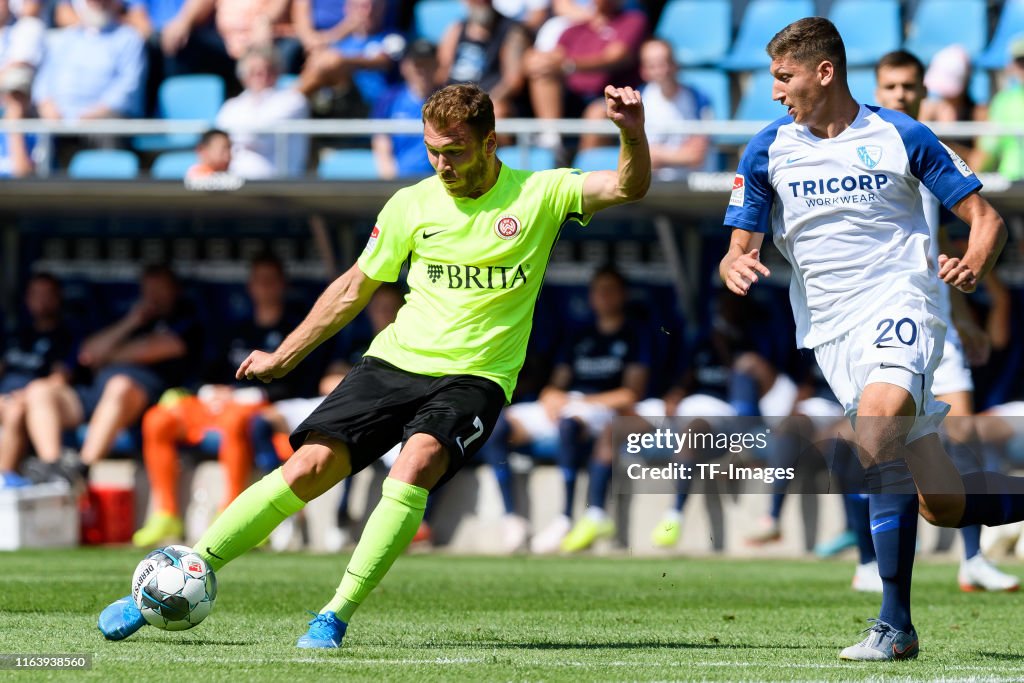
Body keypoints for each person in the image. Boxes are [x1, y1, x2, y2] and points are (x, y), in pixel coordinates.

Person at [97, 81, 651, 646]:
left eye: (454, 151)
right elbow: (354, 288)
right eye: (433, 149)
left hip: (476, 376)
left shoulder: (541, 192)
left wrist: (630, 132)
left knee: (417, 461)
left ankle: (334, 614)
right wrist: (285, 354)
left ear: (490, 143)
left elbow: (630, 186)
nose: (442, 164)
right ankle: (174, 581)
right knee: (308, 466)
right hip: (394, 361)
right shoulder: (412, 202)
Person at [720, 18, 1024, 662]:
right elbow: (738, 243)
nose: (775, 92)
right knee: (942, 504)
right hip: (831, 332)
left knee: (877, 429)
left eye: (784, 76)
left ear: (823, 72)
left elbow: (986, 219)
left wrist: (973, 262)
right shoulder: (767, 147)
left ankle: (895, 625)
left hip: (902, 304)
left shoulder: (900, 135)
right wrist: (734, 263)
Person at [131, 254, 322, 547]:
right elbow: (208, 370)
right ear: (250, 286)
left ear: (282, 285)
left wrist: (242, 395)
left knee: (237, 419)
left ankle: (232, 514)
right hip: (220, 404)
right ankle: (166, 513)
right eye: (258, 280)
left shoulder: (295, 329)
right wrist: (210, 391)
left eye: (270, 280)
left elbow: (301, 383)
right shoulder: (236, 329)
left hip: (264, 408)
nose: (264, 287)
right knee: (158, 418)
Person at [21, 265, 201, 475]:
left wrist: (107, 354)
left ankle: (82, 468)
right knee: (39, 390)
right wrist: (131, 321)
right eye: (149, 289)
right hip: (96, 394)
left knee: (119, 385)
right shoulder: (131, 320)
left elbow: (151, 349)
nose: (154, 296)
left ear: (175, 290)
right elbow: (88, 353)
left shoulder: (186, 322)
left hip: (141, 399)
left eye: (160, 289)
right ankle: (53, 468)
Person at [524, 0, 645, 152]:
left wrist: (569, 65)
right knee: (543, 71)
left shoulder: (632, 20)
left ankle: (584, 168)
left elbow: (617, 57)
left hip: (611, 98)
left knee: (597, 113)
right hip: (572, 98)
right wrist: (536, 61)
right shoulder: (573, 29)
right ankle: (551, 140)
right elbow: (554, 57)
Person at [0, 274, 77, 486]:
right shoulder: (15, 335)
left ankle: (4, 479)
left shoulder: (66, 335)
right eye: (36, 294)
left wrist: (24, 397)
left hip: (34, 401)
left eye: (47, 294)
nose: (41, 300)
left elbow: (60, 378)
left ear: (58, 298)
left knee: (15, 410)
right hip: (5, 399)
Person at [33, 0, 147, 121]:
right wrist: (46, 104)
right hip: (60, 121)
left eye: (104, 2)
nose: (98, 4)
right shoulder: (66, 38)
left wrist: (97, 111)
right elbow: (43, 81)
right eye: (92, 1)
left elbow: (129, 85)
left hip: (104, 122)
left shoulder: (128, 38)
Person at [215, 44, 309, 178]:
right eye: (254, 71)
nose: (262, 76)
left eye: (268, 70)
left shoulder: (294, 101)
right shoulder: (231, 106)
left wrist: (236, 136)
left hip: (280, 185)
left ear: (277, 72)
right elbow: (218, 141)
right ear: (243, 76)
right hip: (235, 184)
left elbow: (259, 134)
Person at [437, 0, 528, 120]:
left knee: (497, 112)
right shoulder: (457, 29)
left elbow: (513, 81)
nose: (481, 2)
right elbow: (442, 71)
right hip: (456, 96)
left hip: (491, 97)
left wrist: (482, 104)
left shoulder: (511, 30)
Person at [638, 38, 712, 180]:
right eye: (653, 66)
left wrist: (655, 154)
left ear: (675, 64)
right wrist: (681, 154)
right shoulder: (637, 100)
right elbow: (637, 157)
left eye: (665, 63)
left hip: (690, 186)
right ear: (643, 71)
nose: (661, 71)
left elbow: (696, 155)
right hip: (650, 185)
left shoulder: (698, 98)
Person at [370, 38, 439, 180]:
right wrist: (391, 180)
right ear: (405, 67)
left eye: (428, 64)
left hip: (439, 184)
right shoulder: (390, 99)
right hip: (400, 181)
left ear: (436, 65)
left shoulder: (448, 99)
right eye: (417, 65)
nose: (422, 71)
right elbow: (381, 141)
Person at [973, 37, 1024, 182]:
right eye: (1021, 62)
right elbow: (987, 150)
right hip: (1011, 186)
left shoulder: (1002, 100)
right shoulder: (1003, 101)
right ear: (1012, 65)